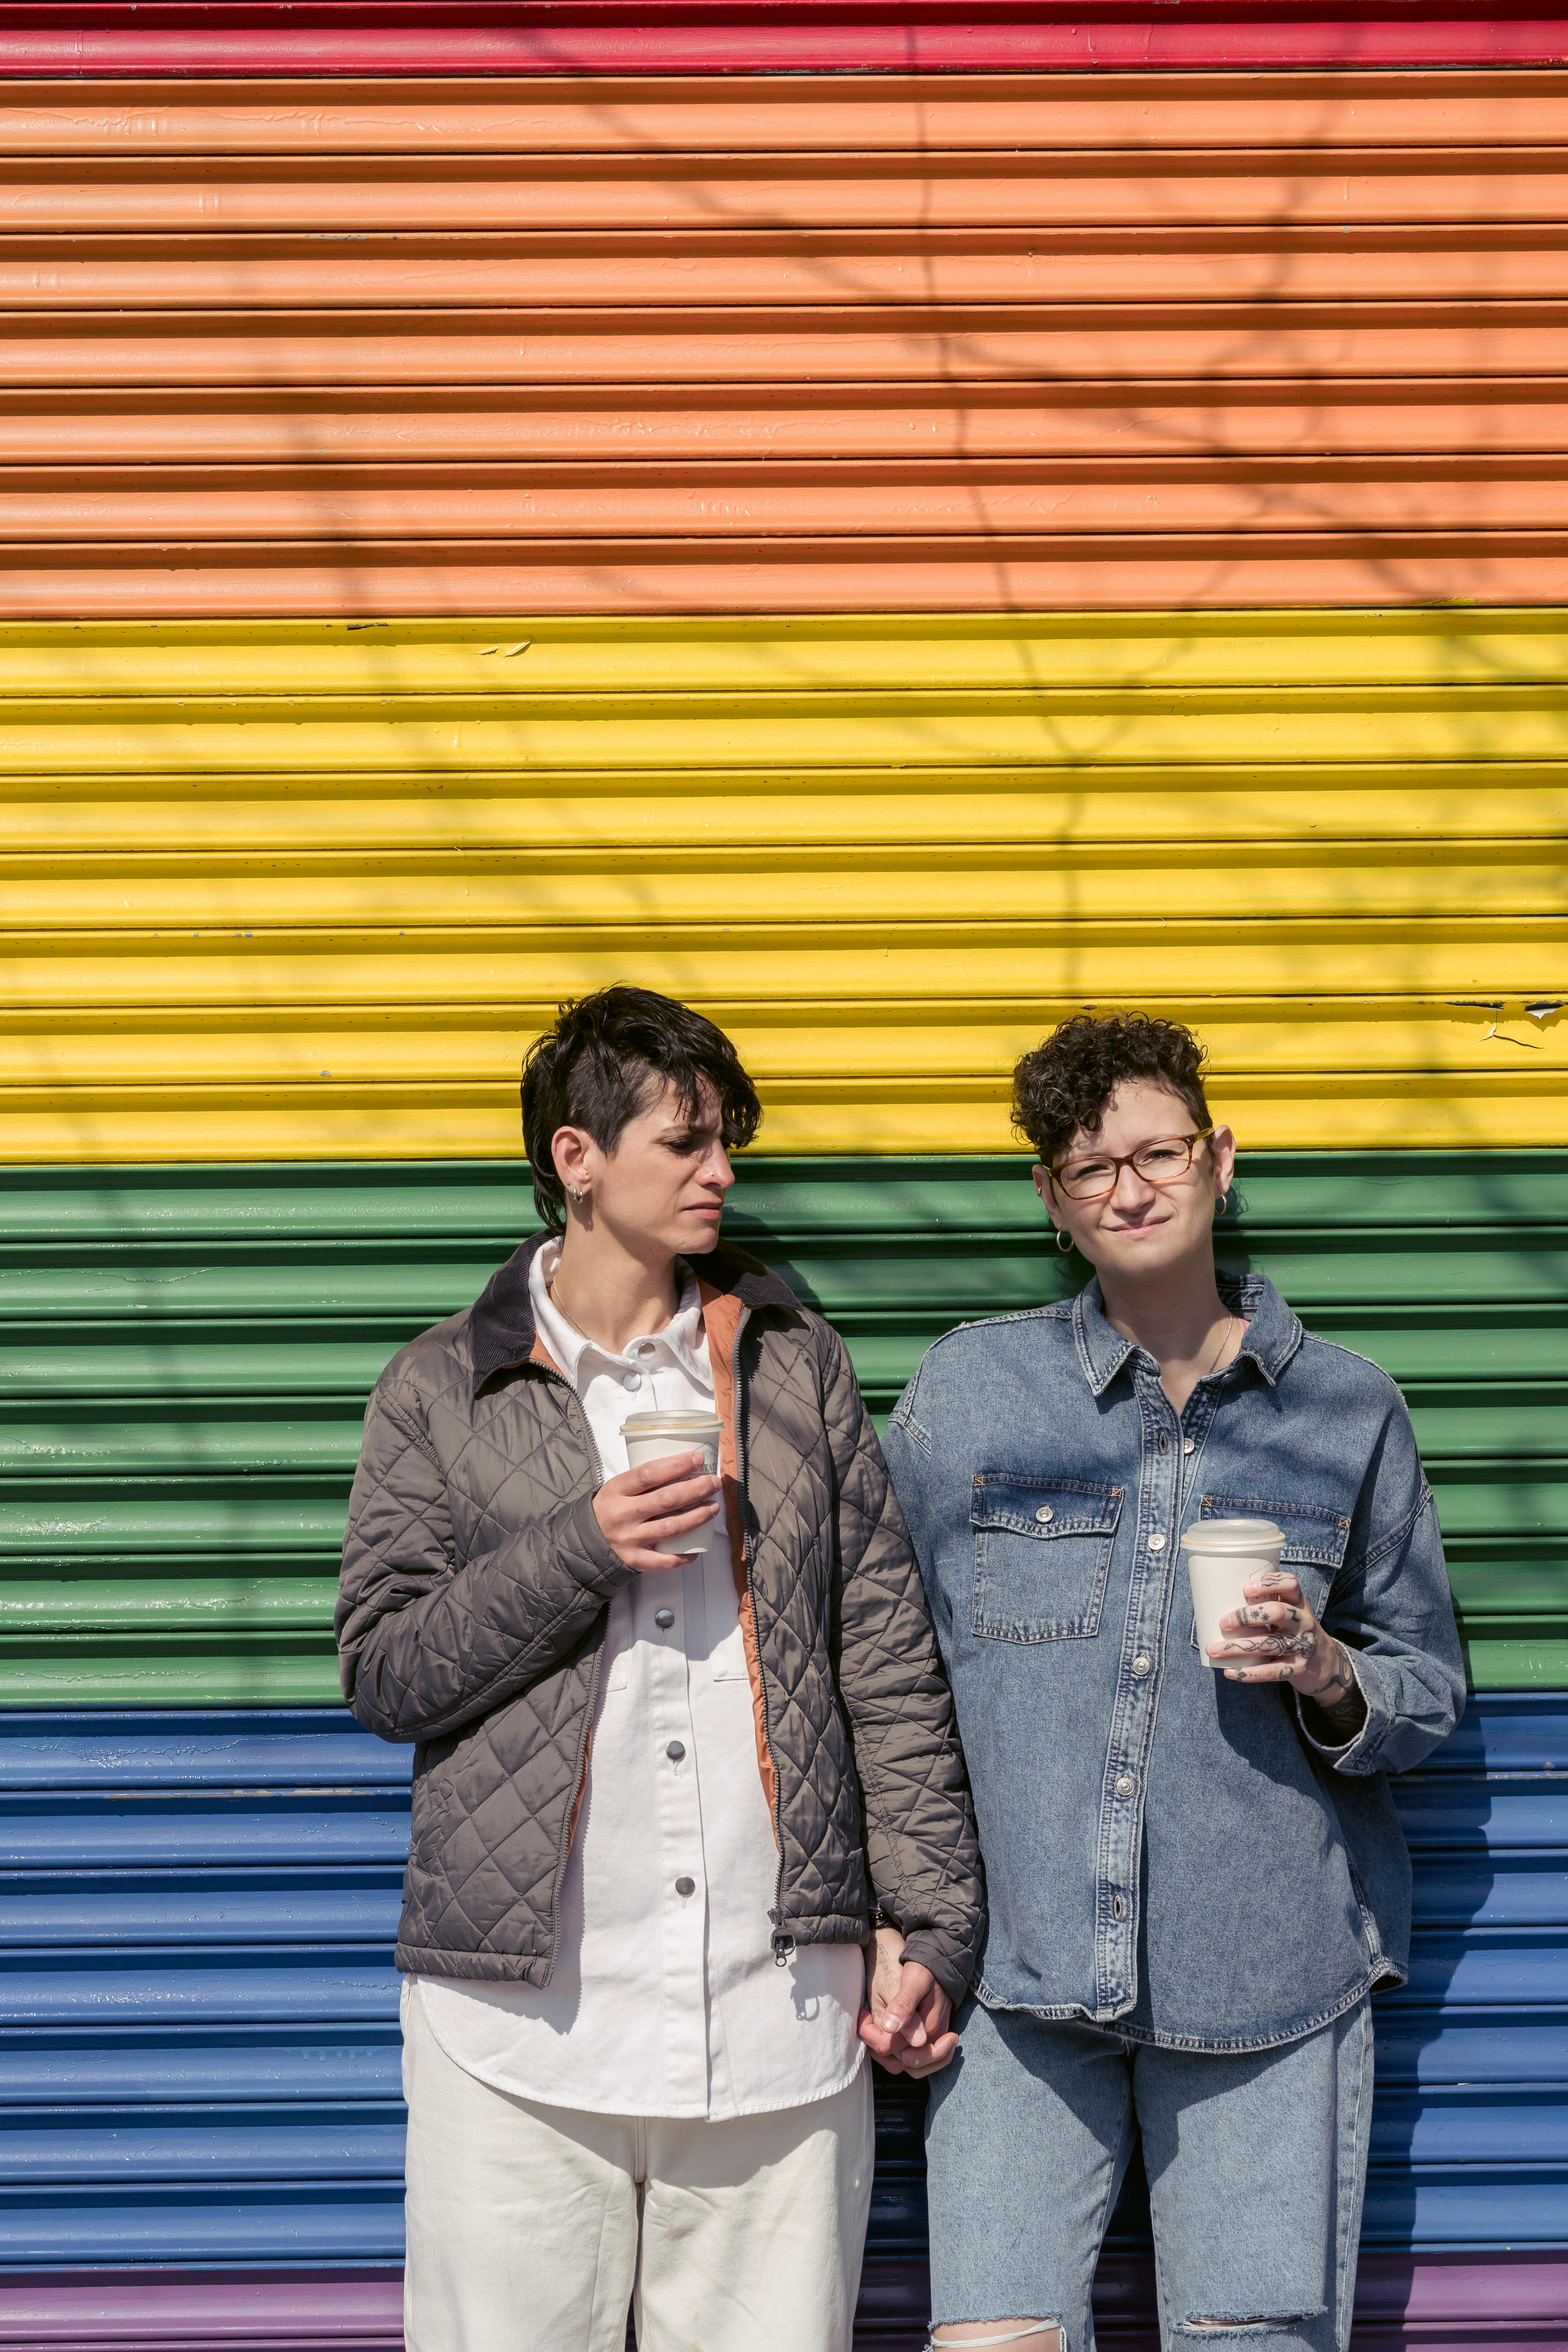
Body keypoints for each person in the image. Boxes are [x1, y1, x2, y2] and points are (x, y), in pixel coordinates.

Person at [336, 984, 983, 2352]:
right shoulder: (439, 1388)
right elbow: (387, 1671)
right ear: (578, 1160)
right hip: (520, 2029)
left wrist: (932, 1925)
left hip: (778, 2021)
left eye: (725, 1141)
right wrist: (578, 1547)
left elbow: (886, 1659)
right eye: (686, 1142)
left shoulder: (797, 1369)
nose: (723, 1174)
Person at [882, 1011, 1463, 2352]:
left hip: (1269, 1977)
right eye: (1091, 1167)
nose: (1130, 1188)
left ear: (1222, 1159)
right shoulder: (973, 1391)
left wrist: (1325, 1669)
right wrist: (893, 1917)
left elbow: (1427, 1690)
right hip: (1019, 1984)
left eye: (1159, 1152)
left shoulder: (1347, 1410)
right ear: (1052, 1197)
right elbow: (886, 1673)